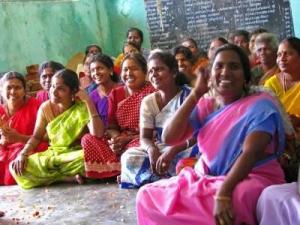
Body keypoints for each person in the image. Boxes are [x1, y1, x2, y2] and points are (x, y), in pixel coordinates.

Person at [136, 44, 286, 225]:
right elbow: (169, 138)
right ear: (210, 74)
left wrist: (224, 193)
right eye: (219, 66)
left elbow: (250, 154)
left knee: (234, 203)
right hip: (206, 177)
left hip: (250, 177)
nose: (225, 72)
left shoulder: (260, 106)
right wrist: (196, 93)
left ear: (246, 76)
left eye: (234, 67)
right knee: (147, 195)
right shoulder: (206, 105)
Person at [10, 69, 105, 189]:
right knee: (16, 167)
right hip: (55, 155)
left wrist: (88, 102)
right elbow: (36, 137)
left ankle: (56, 175)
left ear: (74, 91)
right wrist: (23, 154)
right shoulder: (45, 108)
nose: (54, 92)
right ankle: (67, 178)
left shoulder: (82, 107)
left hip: (76, 156)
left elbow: (97, 134)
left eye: (61, 89)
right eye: (53, 86)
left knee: (89, 159)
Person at [120, 50, 196, 188]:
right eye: (150, 71)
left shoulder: (190, 96)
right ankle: (172, 179)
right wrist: (151, 150)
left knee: (199, 156)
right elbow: (145, 138)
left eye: (159, 69)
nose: (154, 74)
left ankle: (161, 179)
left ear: (173, 72)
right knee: (128, 157)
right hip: (162, 148)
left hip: (187, 147)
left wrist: (173, 151)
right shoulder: (148, 101)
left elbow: (199, 134)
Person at [81, 53, 155, 179]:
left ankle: (120, 170)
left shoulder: (153, 91)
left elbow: (159, 128)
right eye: (125, 69)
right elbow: (111, 126)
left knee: (136, 151)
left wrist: (128, 139)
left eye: (134, 69)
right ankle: (121, 169)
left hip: (145, 139)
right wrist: (116, 139)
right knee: (88, 139)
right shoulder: (116, 94)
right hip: (122, 141)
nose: (129, 73)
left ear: (145, 72)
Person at [0, 72, 47, 185]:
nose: (13, 92)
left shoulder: (37, 106)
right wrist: (2, 141)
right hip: (4, 151)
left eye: (17, 87)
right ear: (1, 91)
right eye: (9, 88)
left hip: (29, 148)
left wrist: (19, 138)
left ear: (25, 90)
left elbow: (48, 137)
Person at [264, 37, 300, 139]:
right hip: (276, 137)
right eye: (279, 55)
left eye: (288, 54)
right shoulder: (271, 83)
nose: (282, 58)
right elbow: (264, 113)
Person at [89, 54, 119, 127]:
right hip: (102, 134)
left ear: (110, 70)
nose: (96, 73)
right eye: (92, 70)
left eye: (100, 68)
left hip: (125, 134)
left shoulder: (123, 90)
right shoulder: (92, 96)